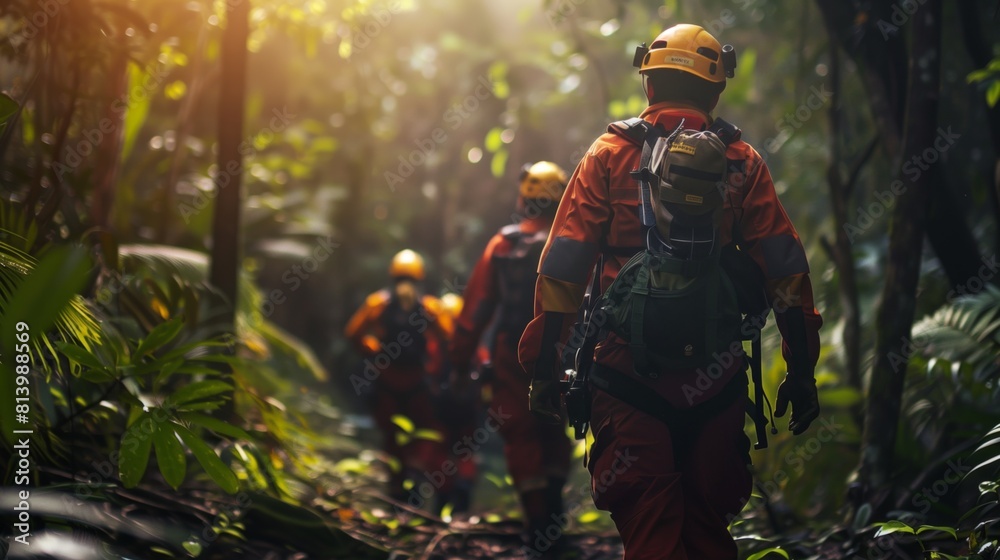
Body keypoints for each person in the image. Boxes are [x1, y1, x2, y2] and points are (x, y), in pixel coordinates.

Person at [518, 24, 823, 559]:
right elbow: (785, 269)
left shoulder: (609, 153)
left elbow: (562, 265)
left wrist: (544, 366)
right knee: (707, 523)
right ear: (715, 89)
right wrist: (801, 370)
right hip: (717, 372)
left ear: (649, 83)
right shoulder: (742, 162)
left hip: (626, 371)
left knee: (652, 524)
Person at [450, 162, 574, 555]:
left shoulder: (502, 246)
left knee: (520, 432)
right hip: (564, 352)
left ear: (523, 197)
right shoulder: (576, 240)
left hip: (513, 354)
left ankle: (538, 526)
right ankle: (552, 517)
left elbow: (474, 312)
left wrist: (459, 361)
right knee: (554, 427)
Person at [344, 249, 453, 505]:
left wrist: (373, 349)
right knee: (419, 435)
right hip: (417, 382)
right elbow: (448, 338)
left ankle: (396, 491)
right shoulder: (429, 307)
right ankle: (414, 489)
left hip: (387, 382)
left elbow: (353, 333)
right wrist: (435, 364)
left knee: (392, 438)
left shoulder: (378, 303)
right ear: (420, 277)